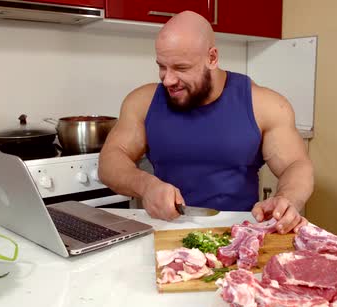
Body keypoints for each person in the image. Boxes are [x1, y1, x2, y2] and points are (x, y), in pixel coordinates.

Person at [98, 11, 314, 234]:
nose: (168, 80)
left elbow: (296, 165)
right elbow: (111, 160)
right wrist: (145, 185)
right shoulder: (142, 102)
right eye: (162, 67)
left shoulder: (265, 104)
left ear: (212, 58)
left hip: (237, 234)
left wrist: (287, 199)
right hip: (166, 231)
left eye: (181, 68)